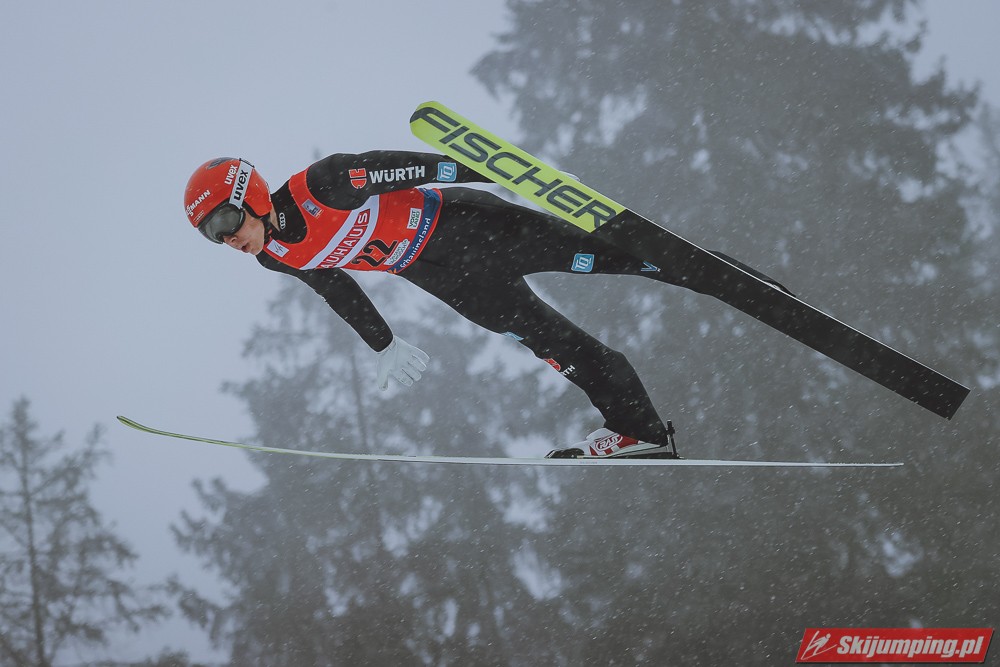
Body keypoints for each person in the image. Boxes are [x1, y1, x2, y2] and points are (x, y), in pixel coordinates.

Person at [184, 152, 686, 459]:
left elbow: (428, 167)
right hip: (448, 280)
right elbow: (333, 286)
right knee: (552, 343)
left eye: (225, 221)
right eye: (211, 234)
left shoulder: (325, 184)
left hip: (470, 227)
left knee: (609, 256)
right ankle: (636, 429)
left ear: (250, 195)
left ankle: (701, 269)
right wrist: (383, 343)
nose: (227, 239)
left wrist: (522, 176)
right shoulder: (274, 255)